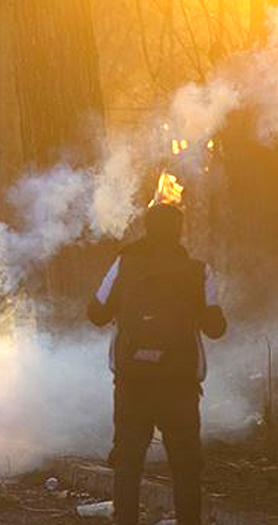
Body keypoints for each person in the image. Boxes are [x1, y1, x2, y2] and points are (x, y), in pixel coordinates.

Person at [87, 204, 227, 525]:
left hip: (132, 381)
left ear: (147, 229)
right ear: (180, 231)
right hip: (179, 383)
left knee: (128, 462)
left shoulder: (124, 263)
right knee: (186, 464)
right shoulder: (198, 270)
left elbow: (95, 313)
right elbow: (216, 328)